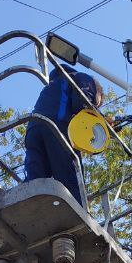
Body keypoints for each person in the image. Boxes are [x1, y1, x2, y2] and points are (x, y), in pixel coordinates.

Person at [24, 65, 103, 205]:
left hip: (33, 129)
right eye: (98, 102)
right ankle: (79, 211)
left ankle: (28, 205)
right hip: (57, 127)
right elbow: (83, 104)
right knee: (71, 176)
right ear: (98, 92)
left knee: (35, 180)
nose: (97, 105)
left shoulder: (53, 85)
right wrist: (100, 120)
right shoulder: (82, 78)